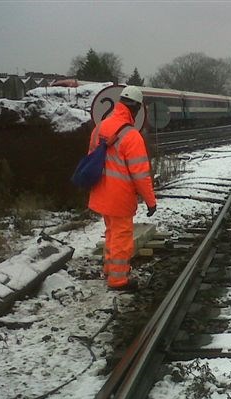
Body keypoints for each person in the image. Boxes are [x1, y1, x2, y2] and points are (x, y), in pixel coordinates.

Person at [87, 85, 157, 291]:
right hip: (120, 197)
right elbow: (141, 175)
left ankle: (110, 270)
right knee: (121, 238)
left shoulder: (100, 127)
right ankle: (118, 280)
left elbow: (92, 156)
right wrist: (151, 202)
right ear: (135, 109)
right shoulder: (132, 136)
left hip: (101, 191)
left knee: (111, 233)